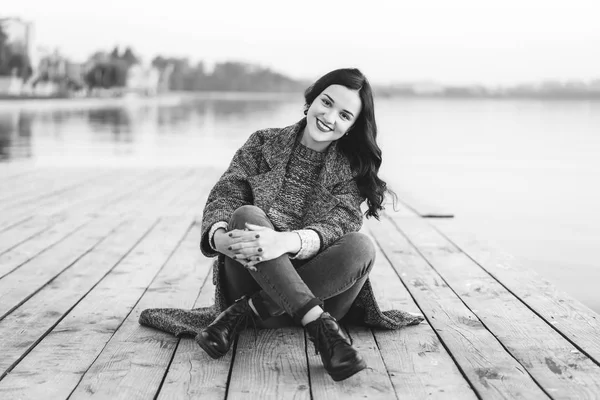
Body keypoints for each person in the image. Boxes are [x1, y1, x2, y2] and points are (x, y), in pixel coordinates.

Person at [139, 68, 423, 382]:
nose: (330, 117)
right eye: (326, 103)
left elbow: (340, 223)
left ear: (350, 127)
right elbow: (226, 193)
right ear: (312, 98)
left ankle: (245, 312)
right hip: (253, 278)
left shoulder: (349, 168)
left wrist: (285, 242)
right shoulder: (263, 143)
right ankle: (319, 327)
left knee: (361, 246)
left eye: (344, 115)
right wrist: (218, 237)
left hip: (325, 291)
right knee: (246, 215)